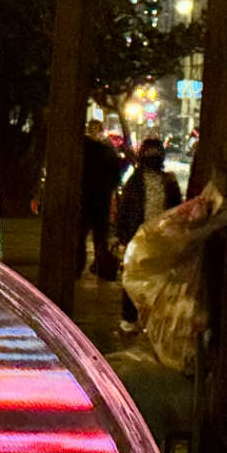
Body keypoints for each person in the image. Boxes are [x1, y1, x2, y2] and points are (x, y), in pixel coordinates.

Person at [116, 137, 183, 323]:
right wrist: (123, 235)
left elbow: (176, 209)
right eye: (149, 154)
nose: (152, 158)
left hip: (161, 238)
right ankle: (129, 317)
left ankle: (152, 317)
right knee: (133, 277)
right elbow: (126, 210)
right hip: (138, 236)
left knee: (158, 279)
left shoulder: (168, 181)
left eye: (155, 154)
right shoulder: (135, 181)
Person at [80, 120, 126, 280]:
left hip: (86, 199)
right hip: (100, 199)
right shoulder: (107, 151)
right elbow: (116, 176)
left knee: (81, 236)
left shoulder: (82, 150)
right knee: (99, 237)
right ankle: (101, 266)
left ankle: (79, 267)